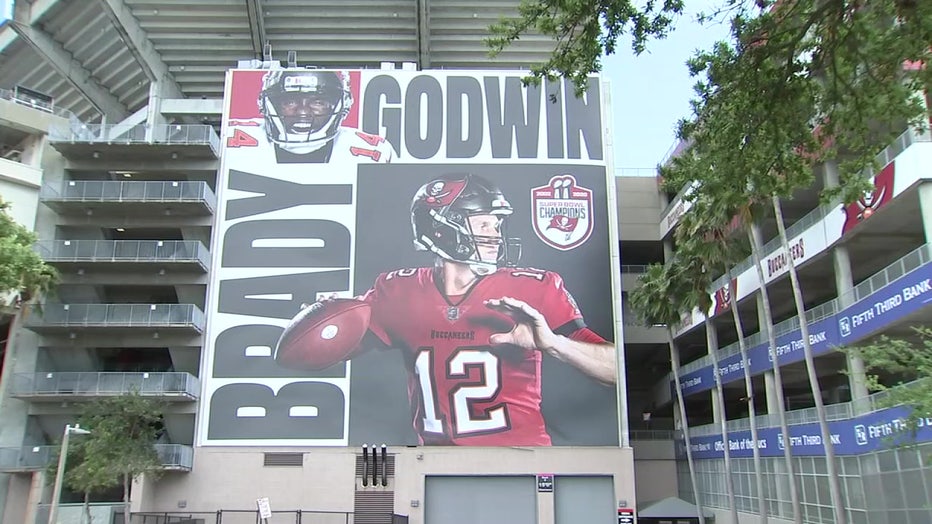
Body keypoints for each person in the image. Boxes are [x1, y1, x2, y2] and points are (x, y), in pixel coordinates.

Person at [283, 173, 616, 446]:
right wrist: (322, 319)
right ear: (441, 228)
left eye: (496, 225)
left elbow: (615, 371)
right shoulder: (397, 290)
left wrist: (555, 344)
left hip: (523, 463)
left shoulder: (534, 288)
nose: (495, 235)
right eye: (483, 224)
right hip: (433, 467)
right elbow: (326, 349)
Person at [256, 70, 393, 164]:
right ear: (270, 105)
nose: (303, 112)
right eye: (290, 102)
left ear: (340, 105)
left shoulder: (372, 150)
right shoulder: (239, 138)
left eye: (318, 102)